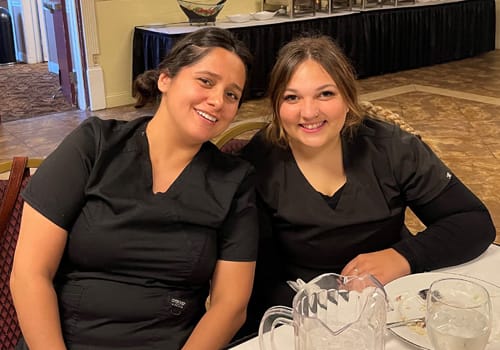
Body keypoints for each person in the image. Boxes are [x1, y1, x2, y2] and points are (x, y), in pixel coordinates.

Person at [10, 27, 258, 350]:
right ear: (165, 79)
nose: (216, 101)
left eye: (232, 95)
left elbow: (231, 306)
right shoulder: (94, 145)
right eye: (206, 81)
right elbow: (29, 274)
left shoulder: (234, 181)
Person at [239, 35, 496, 335]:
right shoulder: (259, 163)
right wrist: (324, 320)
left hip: (393, 306)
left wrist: (403, 257)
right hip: (306, 317)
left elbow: (473, 223)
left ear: (348, 98)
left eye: (325, 94)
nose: (308, 112)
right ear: (276, 106)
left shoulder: (390, 147)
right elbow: (256, 276)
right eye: (291, 97)